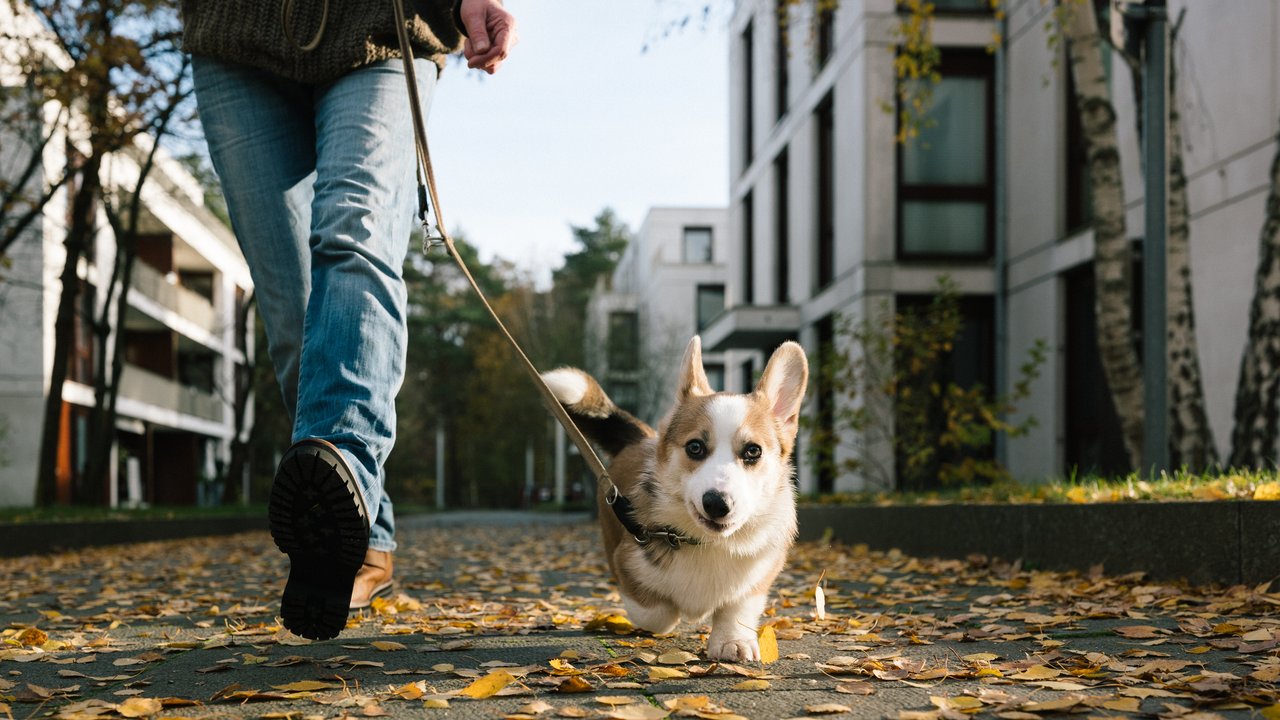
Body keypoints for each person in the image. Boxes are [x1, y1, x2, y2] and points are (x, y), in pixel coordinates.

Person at [181, 0, 516, 640]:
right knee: (293, 308)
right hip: (232, 33)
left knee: (353, 235)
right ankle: (365, 527)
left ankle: (346, 507)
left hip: (384, 25)